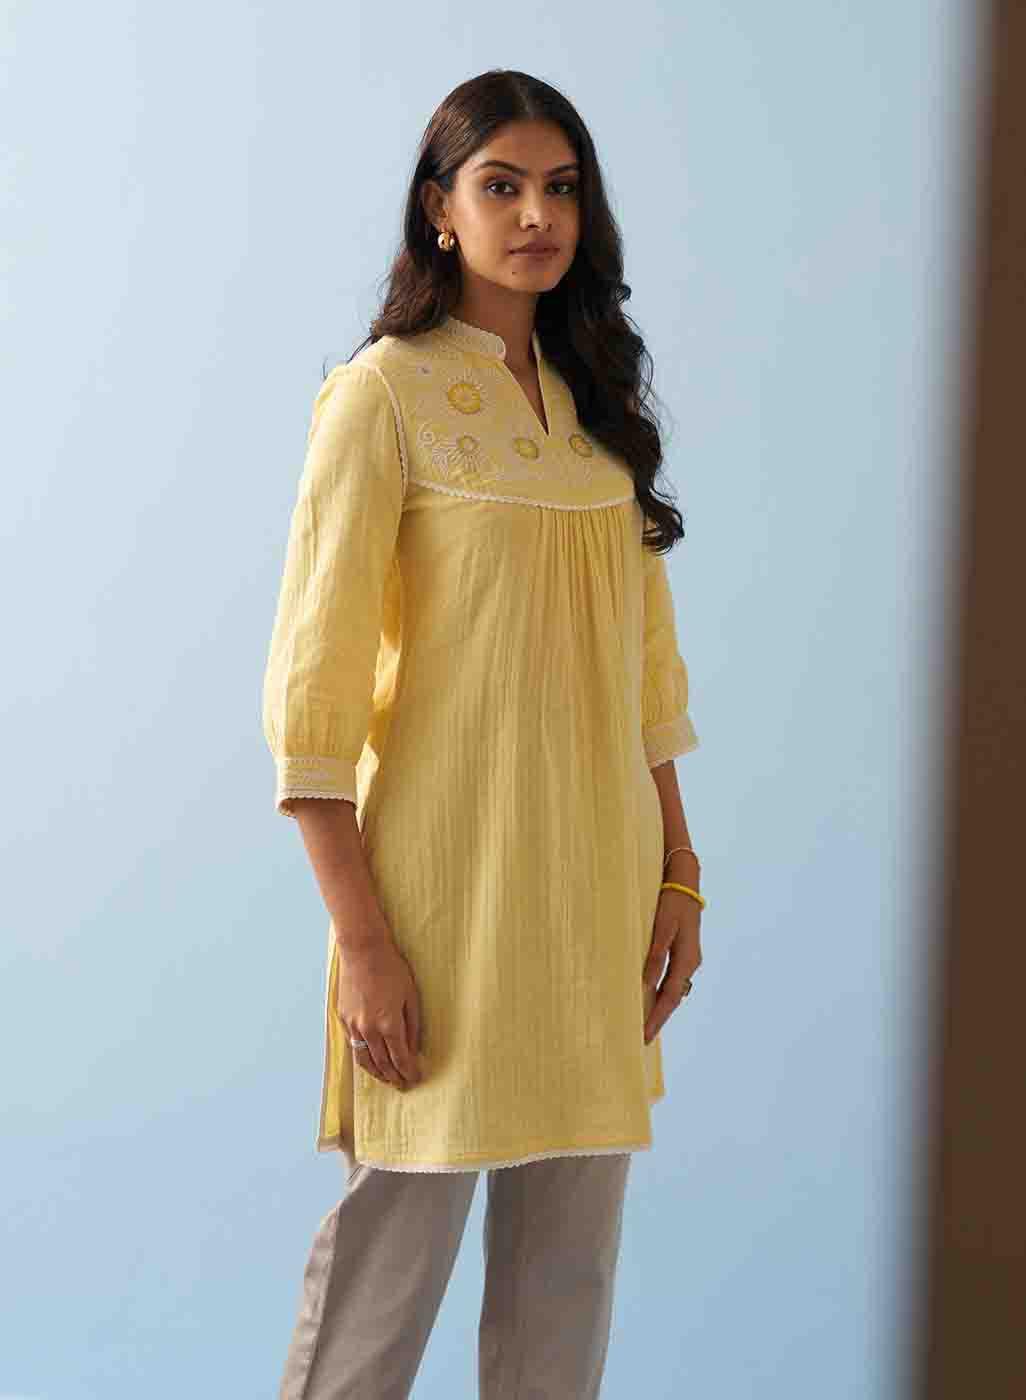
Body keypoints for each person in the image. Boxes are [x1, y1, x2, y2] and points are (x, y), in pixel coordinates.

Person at [262, 67, 706, 1400]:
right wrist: (364, 946)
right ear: (438, 210)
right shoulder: (381, 397)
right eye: (500, 186)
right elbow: (312, 702)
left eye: (560, 189)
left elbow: (646, 680)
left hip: (597, 896)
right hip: (440, 900)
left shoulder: (596, 414)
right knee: (385, 1273)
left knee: (567, 1283)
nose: (535, 216)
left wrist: (678, 874)